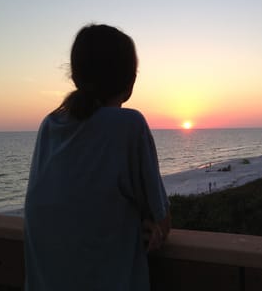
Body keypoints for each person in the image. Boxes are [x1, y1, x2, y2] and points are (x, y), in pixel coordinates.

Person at [24, 24, 170, 291]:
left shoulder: (50, 125)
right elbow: (162, 222)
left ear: (76, 77)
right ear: (130, 83)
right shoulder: (129, 126)